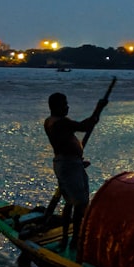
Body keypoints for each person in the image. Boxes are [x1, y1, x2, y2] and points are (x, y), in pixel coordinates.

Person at [44, 91, 107, 251]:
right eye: (64, 104)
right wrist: (98, 109)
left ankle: (69, 239)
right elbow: (85, 127)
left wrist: (78, 161)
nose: (67, 106)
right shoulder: (59, 123)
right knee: (80, 204)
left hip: (73, 164)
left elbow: (82, 128)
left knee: (72, 202)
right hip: (68, 165)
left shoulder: (54, 122)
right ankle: (73, 240)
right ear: (55, 106)